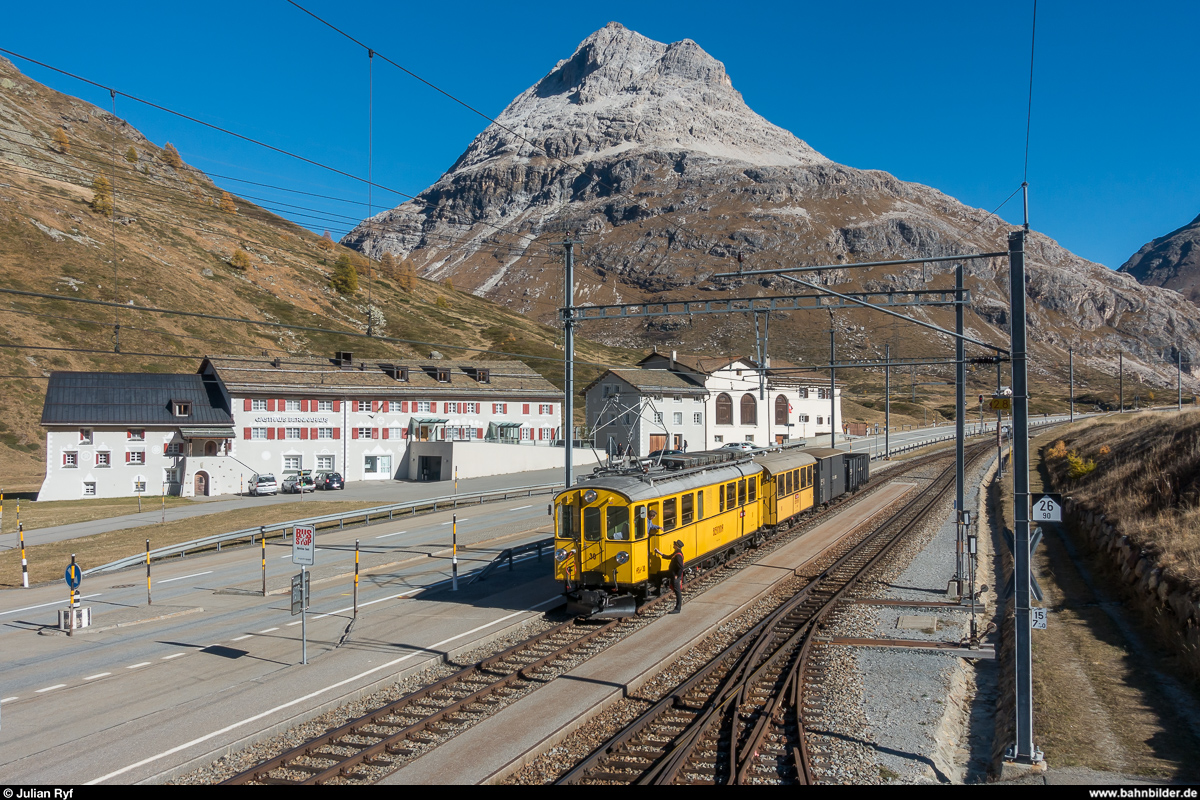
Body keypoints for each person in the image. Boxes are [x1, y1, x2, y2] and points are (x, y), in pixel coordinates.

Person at [654, 539, 685, 613]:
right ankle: (657, 590)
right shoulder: (677, 552)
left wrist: (677, 576)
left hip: (674, 575)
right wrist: (659, 553)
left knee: (678, 592)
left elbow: (681, 567)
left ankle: (677, 609)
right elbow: (668, 557)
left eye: (674, 544)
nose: (673, 545)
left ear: (677, 546)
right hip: (671, 573)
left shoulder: (678, 556)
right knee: (659, 574)